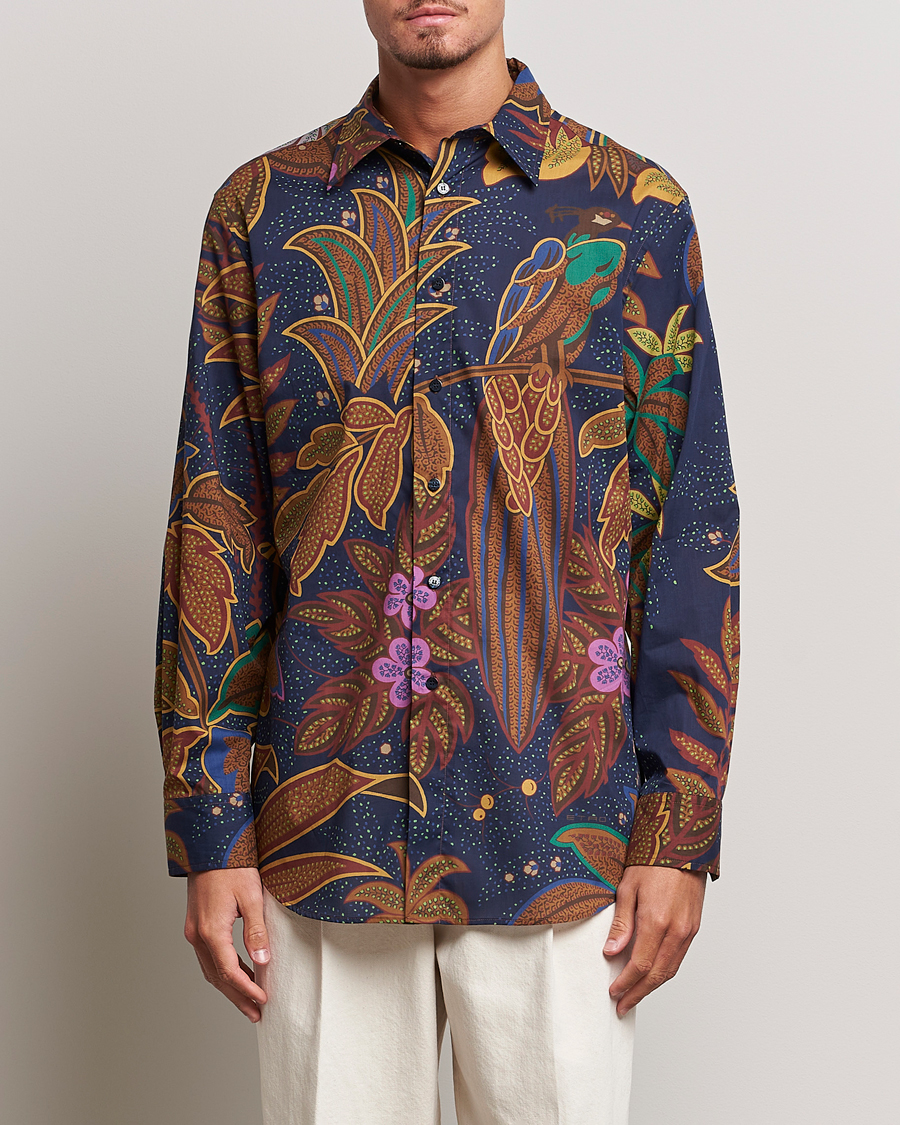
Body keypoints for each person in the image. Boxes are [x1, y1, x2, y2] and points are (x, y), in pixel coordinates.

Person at [154, 1, 740, 1121]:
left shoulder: (635, 211)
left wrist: (678, 833)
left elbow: (690, 528)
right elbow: (216, 521)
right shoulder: (261, 213)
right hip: (324, 839)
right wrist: (211, 825)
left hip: (559, 837)